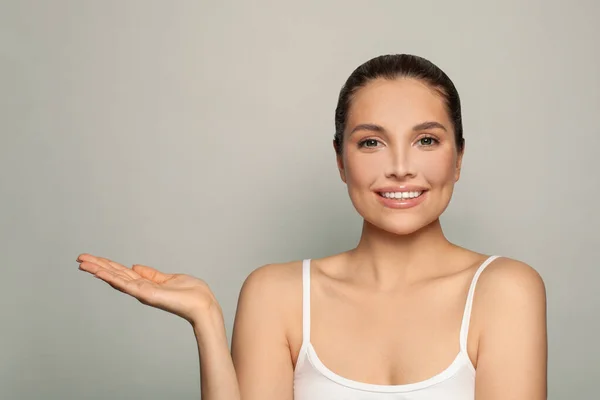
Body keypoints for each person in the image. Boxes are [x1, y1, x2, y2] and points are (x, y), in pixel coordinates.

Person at [77, 54, 547, 399]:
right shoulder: (275, 294)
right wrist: (207, 322)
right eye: (371, 143)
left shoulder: (505, 291)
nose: (401, 167)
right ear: (341, 161)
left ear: (458, 158)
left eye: (426, 140)